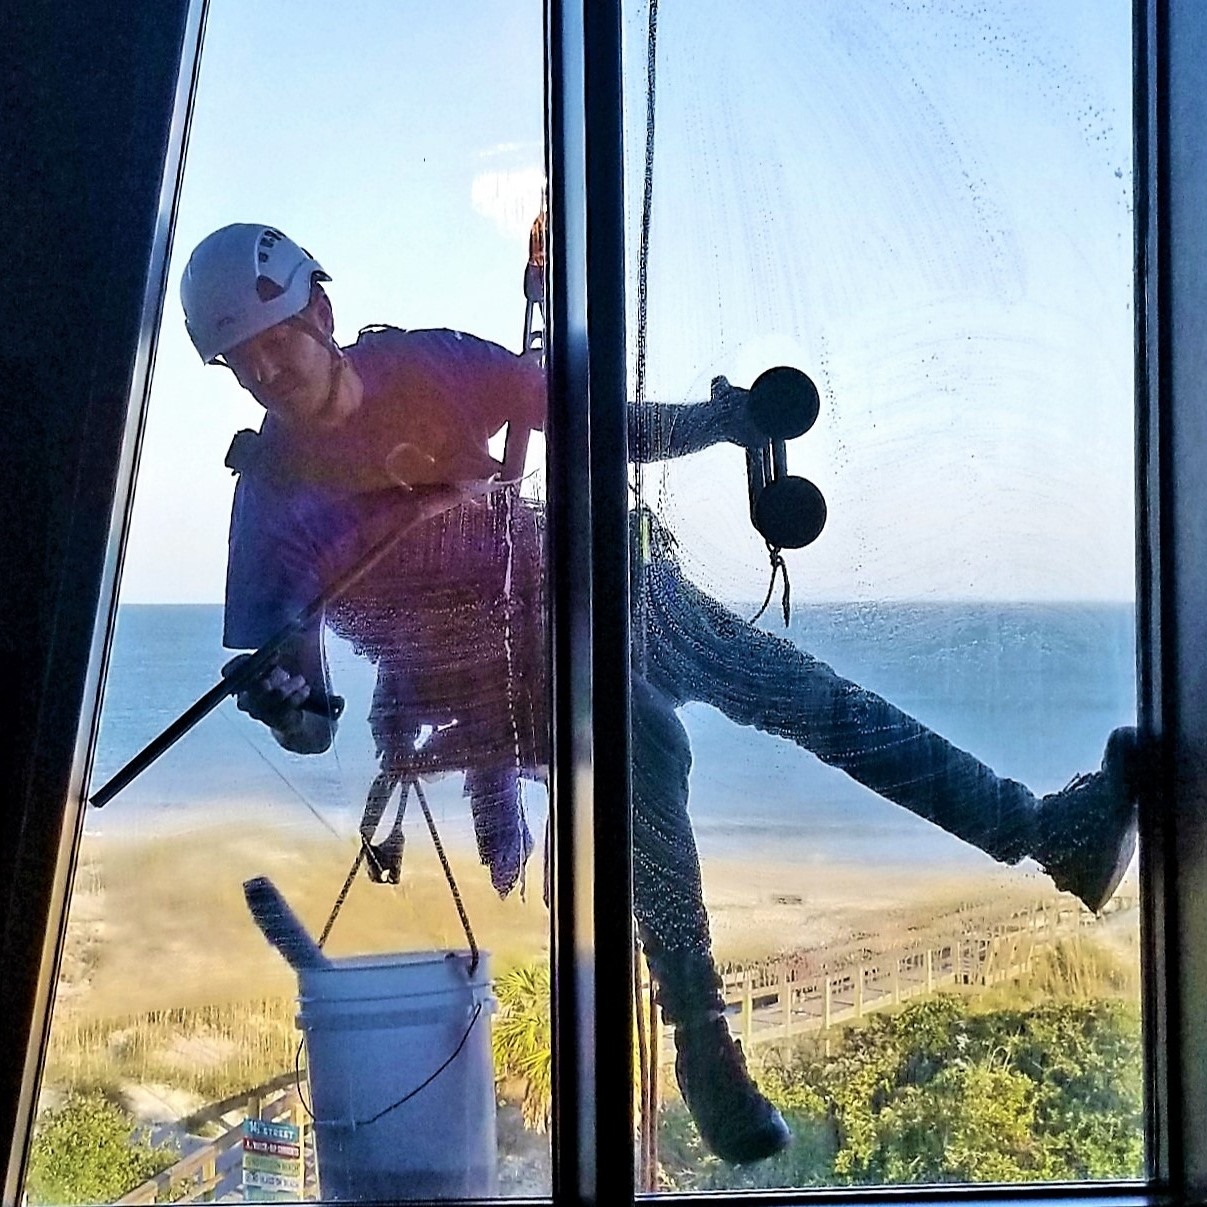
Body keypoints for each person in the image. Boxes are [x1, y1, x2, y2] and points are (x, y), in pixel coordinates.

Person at [182, 223, 1141, 1166]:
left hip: (599, 584)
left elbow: (596, 426)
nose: (264, 370)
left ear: (320, 312)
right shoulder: (272, 500)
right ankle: (704, 1040)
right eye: (241, 360)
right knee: (643, 739)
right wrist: (284, 705)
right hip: (483, 674)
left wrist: (718, 424)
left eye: (274, 342)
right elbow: (308, 719)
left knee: (819, 703)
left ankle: (1047, 835)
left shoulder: (425, 362)